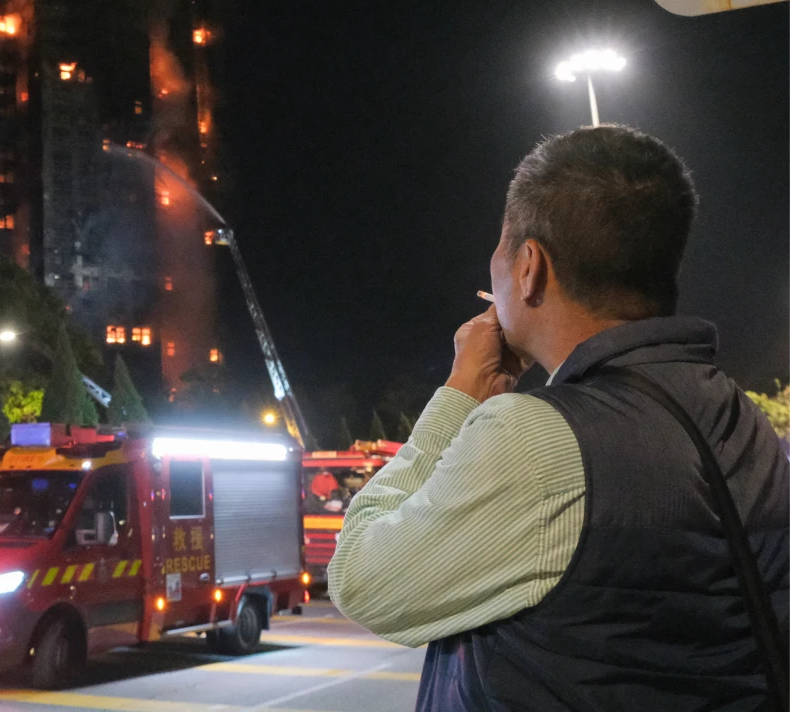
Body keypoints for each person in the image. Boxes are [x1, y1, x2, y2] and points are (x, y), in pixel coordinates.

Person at [328, 125, 790, 710]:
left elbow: (363, 581)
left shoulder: (537, 437)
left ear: (529, 268)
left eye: (500, 249)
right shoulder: (735, 413)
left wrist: (459, 395)